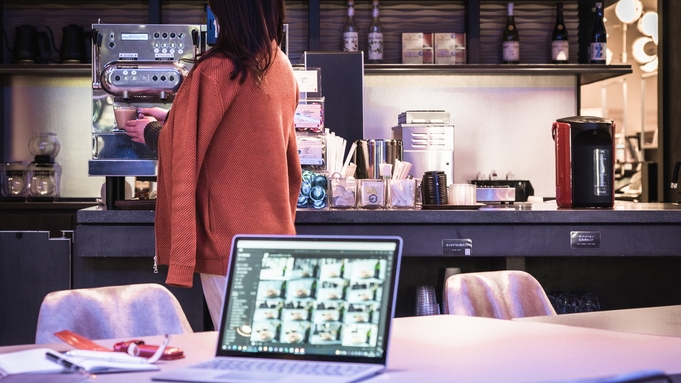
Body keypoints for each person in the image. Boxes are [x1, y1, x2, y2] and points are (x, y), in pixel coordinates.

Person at [123, 0, 301, 328]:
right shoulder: (281, 67)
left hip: (228, 244)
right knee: (265, 351)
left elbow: (182, 149)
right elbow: (268, 148)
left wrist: (150, 130)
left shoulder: (218, 68)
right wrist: (177, 118)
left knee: (242, 356)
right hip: (274, 239)